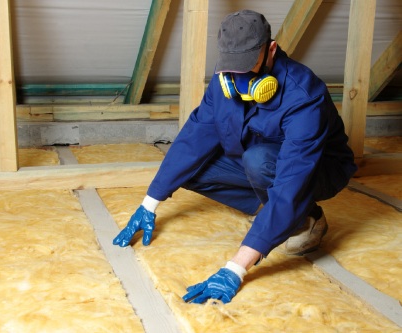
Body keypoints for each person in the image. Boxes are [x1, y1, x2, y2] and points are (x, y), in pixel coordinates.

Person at [113, 9, 357, 304]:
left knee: (259, 160)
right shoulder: (222, 82)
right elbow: (193, 139)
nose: (237, 76)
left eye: (247, 64)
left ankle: (307, 219)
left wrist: (236, 267)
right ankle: (268, 212)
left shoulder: (304, 96)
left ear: (271, 50)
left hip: (318, 169)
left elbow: (293, 180)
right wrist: (149, 203)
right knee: (192, 168)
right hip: (259, 161)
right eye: (231, 66)